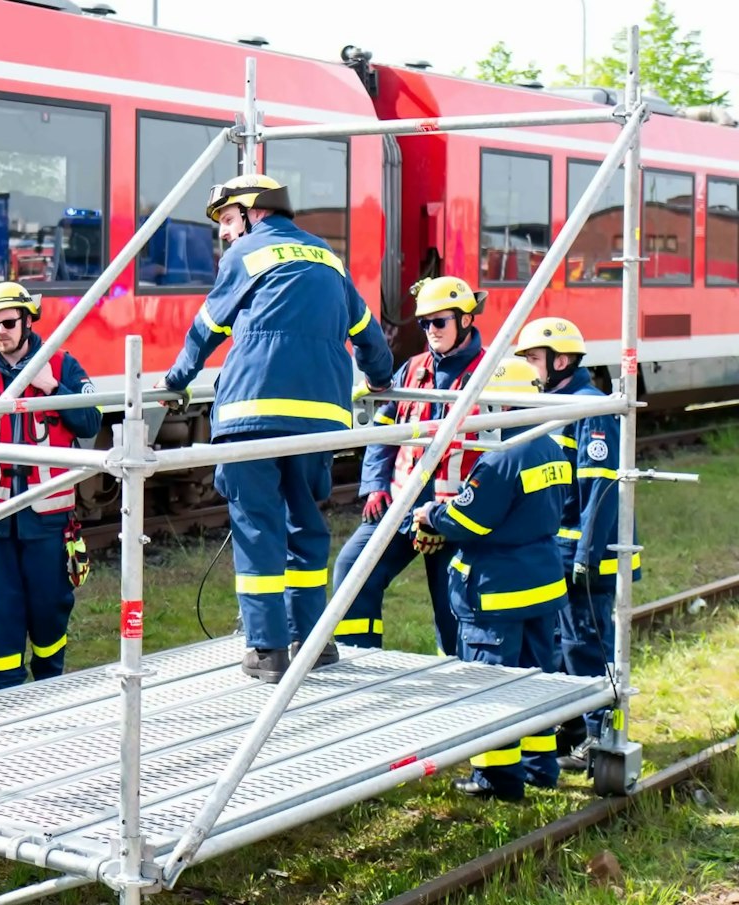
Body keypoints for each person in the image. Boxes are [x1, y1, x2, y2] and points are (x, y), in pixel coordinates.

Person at [163, 174, 392, 682]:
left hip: (251, 417)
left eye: (226, 219)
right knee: (306, 528)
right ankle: (314, 639)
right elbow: (369, 337)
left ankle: (267, 650)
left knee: (256, 529)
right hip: (318, 422)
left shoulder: (244, 257)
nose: (223, 233)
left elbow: (206, 328)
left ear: (253, 212)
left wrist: (175, 380)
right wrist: (380, 380)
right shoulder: (330, 261)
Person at [412, 357, 572, 800]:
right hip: (543, 585)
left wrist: (432, 515)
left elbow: (471, 520)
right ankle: (541, 768)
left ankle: (498, 780)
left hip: (497, 593)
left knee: (492, 686)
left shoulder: (501, 459)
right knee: (539, 678)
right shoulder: (551, 448)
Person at [331, 276, 489, 655]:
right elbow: (385, 430)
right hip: (401, 507)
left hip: (458, 519)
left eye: (439, 322)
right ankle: (360, 657)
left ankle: (458, 681)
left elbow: (499, 461)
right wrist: (374, 485)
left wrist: (439, 516)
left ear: (466, 320)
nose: (430, 331)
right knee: (353, 570)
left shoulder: (492, 375)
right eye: (424, 324)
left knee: (454, 609)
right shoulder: (412, 369)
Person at [0, 282, 102, 690]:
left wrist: (52, 388)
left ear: (27, 320)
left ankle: (49, 688)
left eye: (7, 323)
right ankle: (5, 699)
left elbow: (91, 422)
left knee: (49, 609)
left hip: (46, 519)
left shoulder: (63, 364)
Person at [513, 316, 639, 771]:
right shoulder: (559, 403)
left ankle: (599, 730)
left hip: (588, 552)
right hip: (560, 548)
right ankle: (573, 728)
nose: (530, 369)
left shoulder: (590, 408)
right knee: (561, 642)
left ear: (560, 360)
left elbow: (600, 491)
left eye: (534, 358)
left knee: (586, 643)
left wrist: (586, 556)